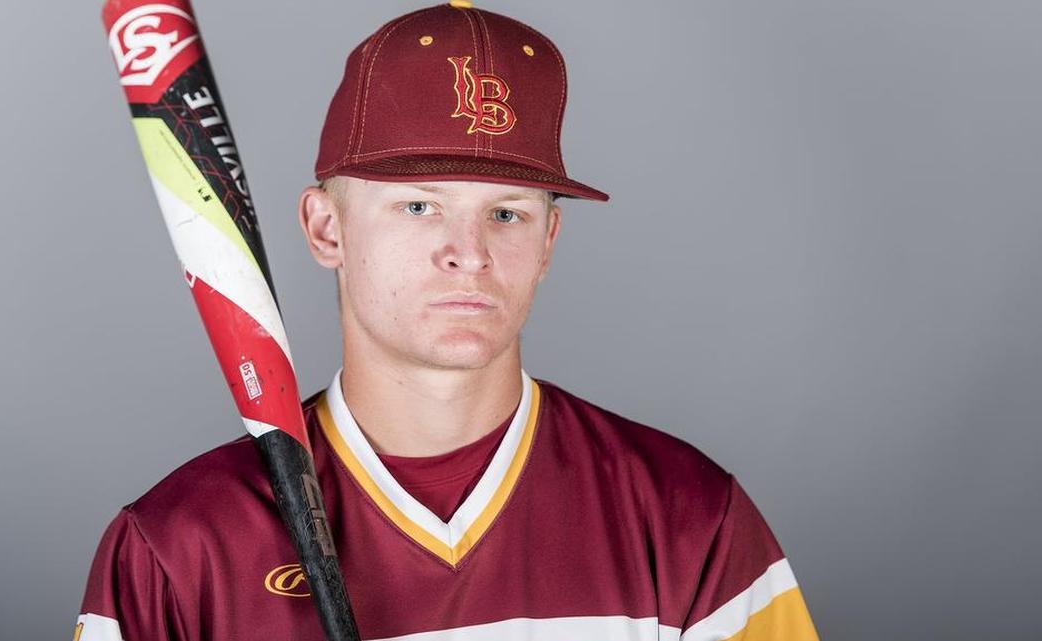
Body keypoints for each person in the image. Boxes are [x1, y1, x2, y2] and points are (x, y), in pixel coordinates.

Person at [76, 2, 820, 640]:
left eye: (506, 213)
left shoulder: (686, 517)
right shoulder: (177, 548)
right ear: (326, 228)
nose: (468, 253)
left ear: (547, 244)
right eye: (419, 206)